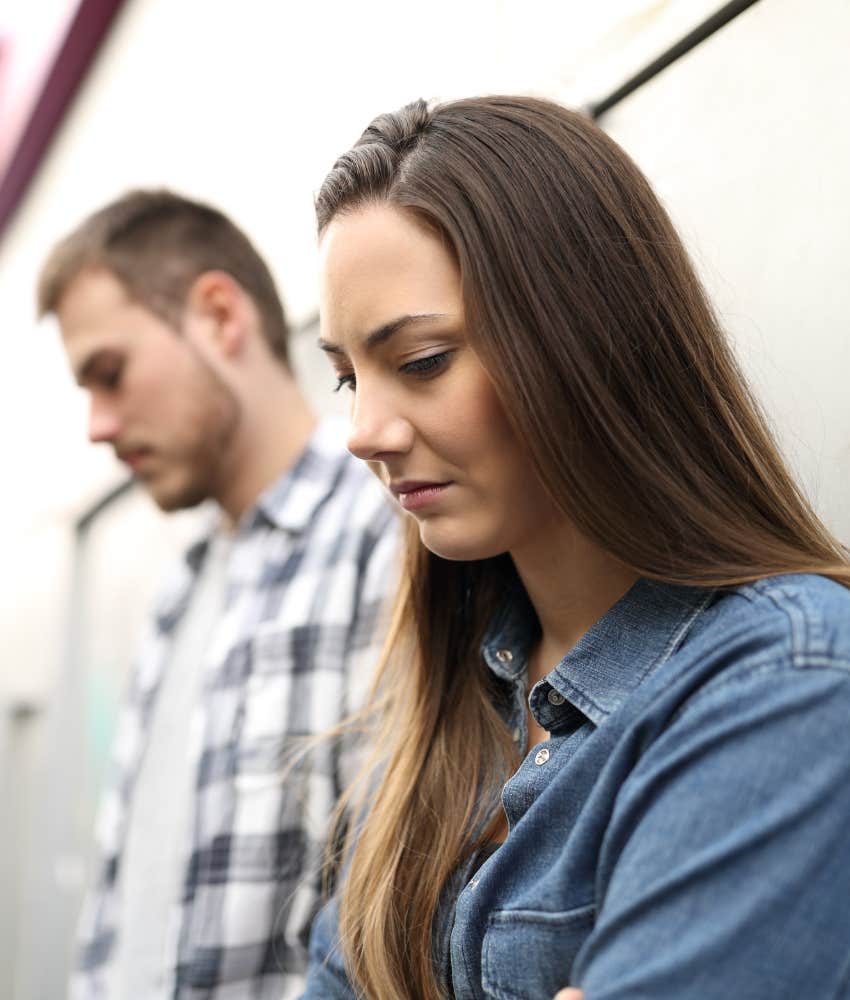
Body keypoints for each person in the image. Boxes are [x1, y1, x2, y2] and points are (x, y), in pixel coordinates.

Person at [301, 96, 850, 1000]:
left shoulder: (786, 682)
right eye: (347, 377)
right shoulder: (436, 727)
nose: (363, 430)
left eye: (424, 360)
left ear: (582, 338)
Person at [37, 189, 398, 1000]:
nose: (97, 424)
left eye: (111, 373)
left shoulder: (381, 531)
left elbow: (392, 906)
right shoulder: (178, 590)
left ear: (219, 316)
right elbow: (118, 916)